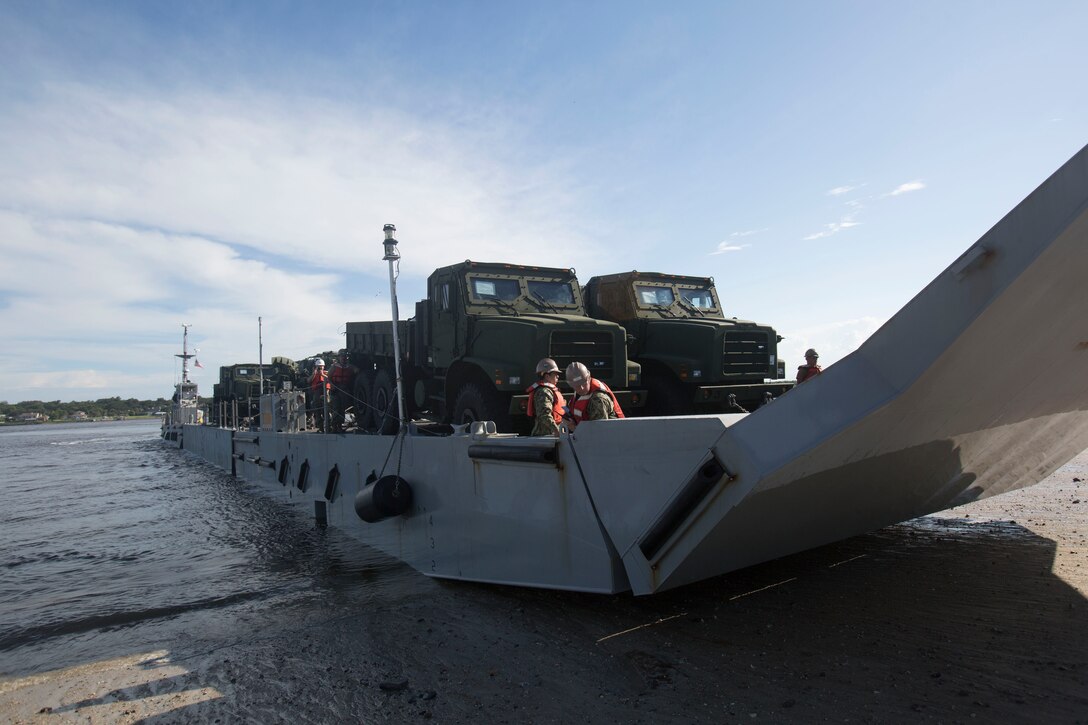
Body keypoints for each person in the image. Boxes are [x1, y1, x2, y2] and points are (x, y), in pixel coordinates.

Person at [565, 361, 624, 429]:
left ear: (589, 378)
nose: (582, 388)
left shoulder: (598, 399)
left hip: (612, 435)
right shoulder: (579, 394)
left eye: (584, 383)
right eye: (577, 386)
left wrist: (575, 429)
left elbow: (599, 430)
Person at [525, 358, 564, 436]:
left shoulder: (549, 390)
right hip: (545, 434)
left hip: (552, 434)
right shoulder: (544, 392)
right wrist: (556, 430)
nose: (558, 377)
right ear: (547, 376)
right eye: (555, 374)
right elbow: (544, 415)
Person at [328, 350, 358, 432]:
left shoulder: (350, 367)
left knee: (342, 409)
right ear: (339, 357)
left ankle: (340, 425)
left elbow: (356, 371)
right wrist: (332, 386)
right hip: (335, 390)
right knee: (336, 408)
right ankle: (334, 426)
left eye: (345, 356)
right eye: (342, 356)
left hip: (345, 390)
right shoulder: (334, 367)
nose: (344, 358)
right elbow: (328, 378)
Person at [309, 358, 330, 429]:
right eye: (318, 367)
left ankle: (328, 426)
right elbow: (308, 380)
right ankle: (320, 426)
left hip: (325, 393)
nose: (320, 368)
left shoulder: (326, 373)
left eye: (321, 367)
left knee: (326, 410)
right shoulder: (314, 374)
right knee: (317, 411)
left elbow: (329, 379)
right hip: (316, 394)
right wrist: (314, 374)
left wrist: (322, 374)